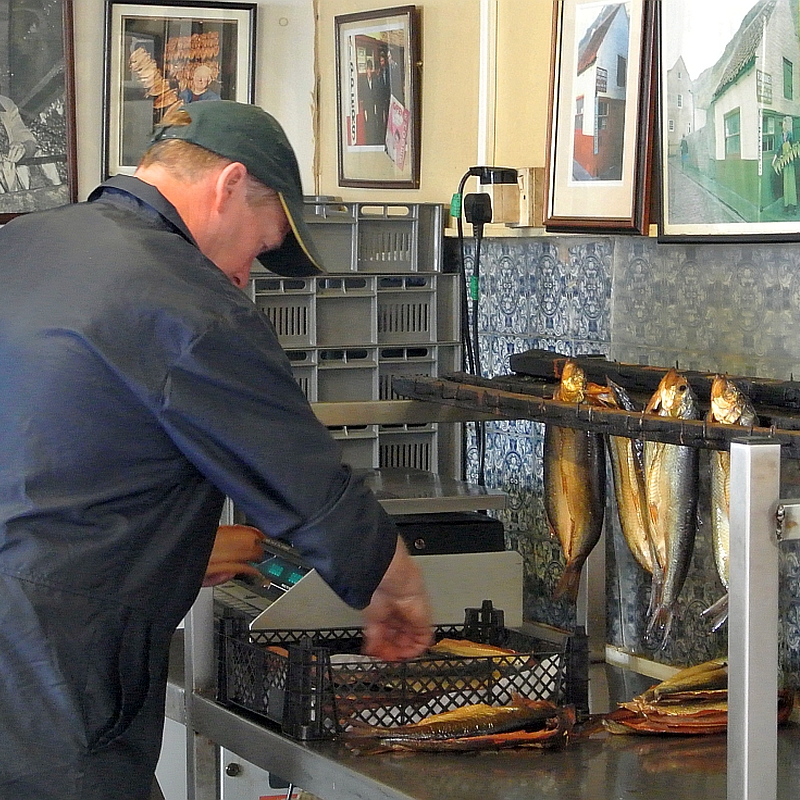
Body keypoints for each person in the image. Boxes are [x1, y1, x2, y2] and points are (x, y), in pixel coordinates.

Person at [0, 100, 433, 800]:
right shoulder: (184, 299)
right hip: (49, 667)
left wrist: (165, 548)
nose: (243, 277)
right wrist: (397, 590)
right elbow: (304, 482)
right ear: (229, 184)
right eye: (258, 249)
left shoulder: (26, 243)